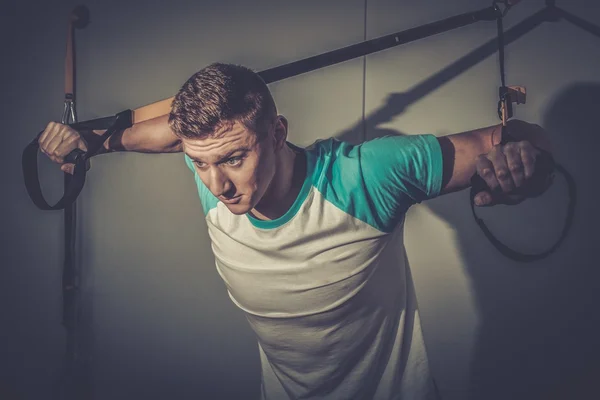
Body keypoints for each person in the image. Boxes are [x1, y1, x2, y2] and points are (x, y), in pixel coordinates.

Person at [38, 63, 553, 399]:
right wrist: (91, 142)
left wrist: (523, 161)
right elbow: (171, 136)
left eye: (235, 158)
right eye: (199, 163)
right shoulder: (210, 163)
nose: (218, 185)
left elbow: (510, 138)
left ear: (278, 132)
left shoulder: (366, 176)